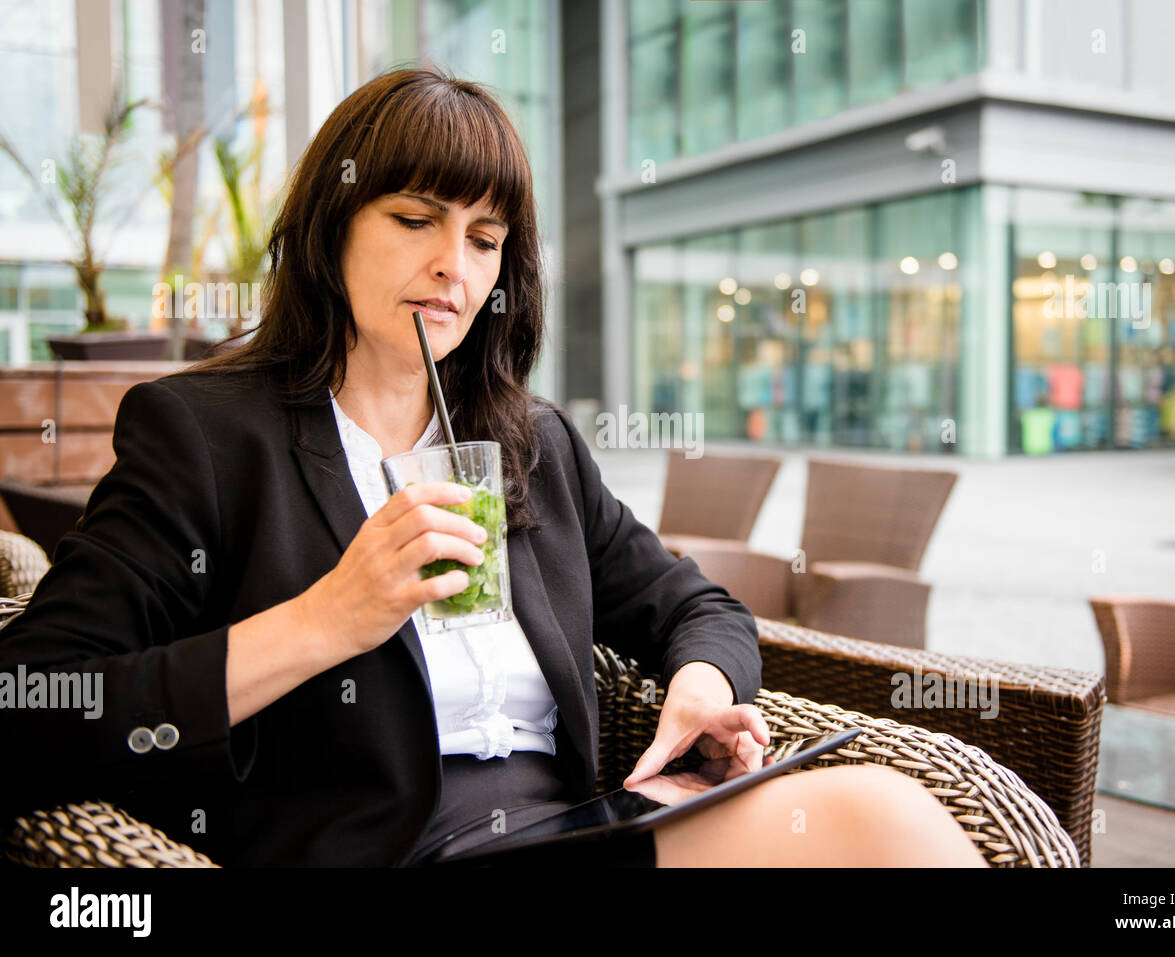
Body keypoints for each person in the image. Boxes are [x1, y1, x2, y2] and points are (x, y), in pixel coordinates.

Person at [0, 67, 985, 868]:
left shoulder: (529, 444)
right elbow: (32, 705)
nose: (454, 269)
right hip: (382, 852)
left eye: (484, 240)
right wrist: (328, 618)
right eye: (415, 219)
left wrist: (697, 684)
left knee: (894, 820)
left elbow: (698, 605)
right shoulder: (204, 437)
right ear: (330, 228)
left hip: (581, 830)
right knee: (881, 824)